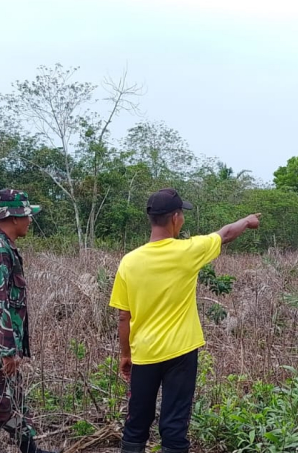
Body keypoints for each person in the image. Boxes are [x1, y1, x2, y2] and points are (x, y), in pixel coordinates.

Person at [109, 188, 260, 453]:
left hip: (144, 353)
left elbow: (124, 316)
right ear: (176, 217)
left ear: (151, 218)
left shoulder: (129, 262)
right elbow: (225, 234)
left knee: (137, 421)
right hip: (181, 352)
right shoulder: (188, 252)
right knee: (175, 423)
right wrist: (247, 221)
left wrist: (125, 354)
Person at [0, 189, 56, 453]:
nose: (30, 221)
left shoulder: (5, 247)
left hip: (1, 346)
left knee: (12, 400)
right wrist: (7, 351)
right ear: (15, 217)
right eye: (28, 216)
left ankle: (30, 448)